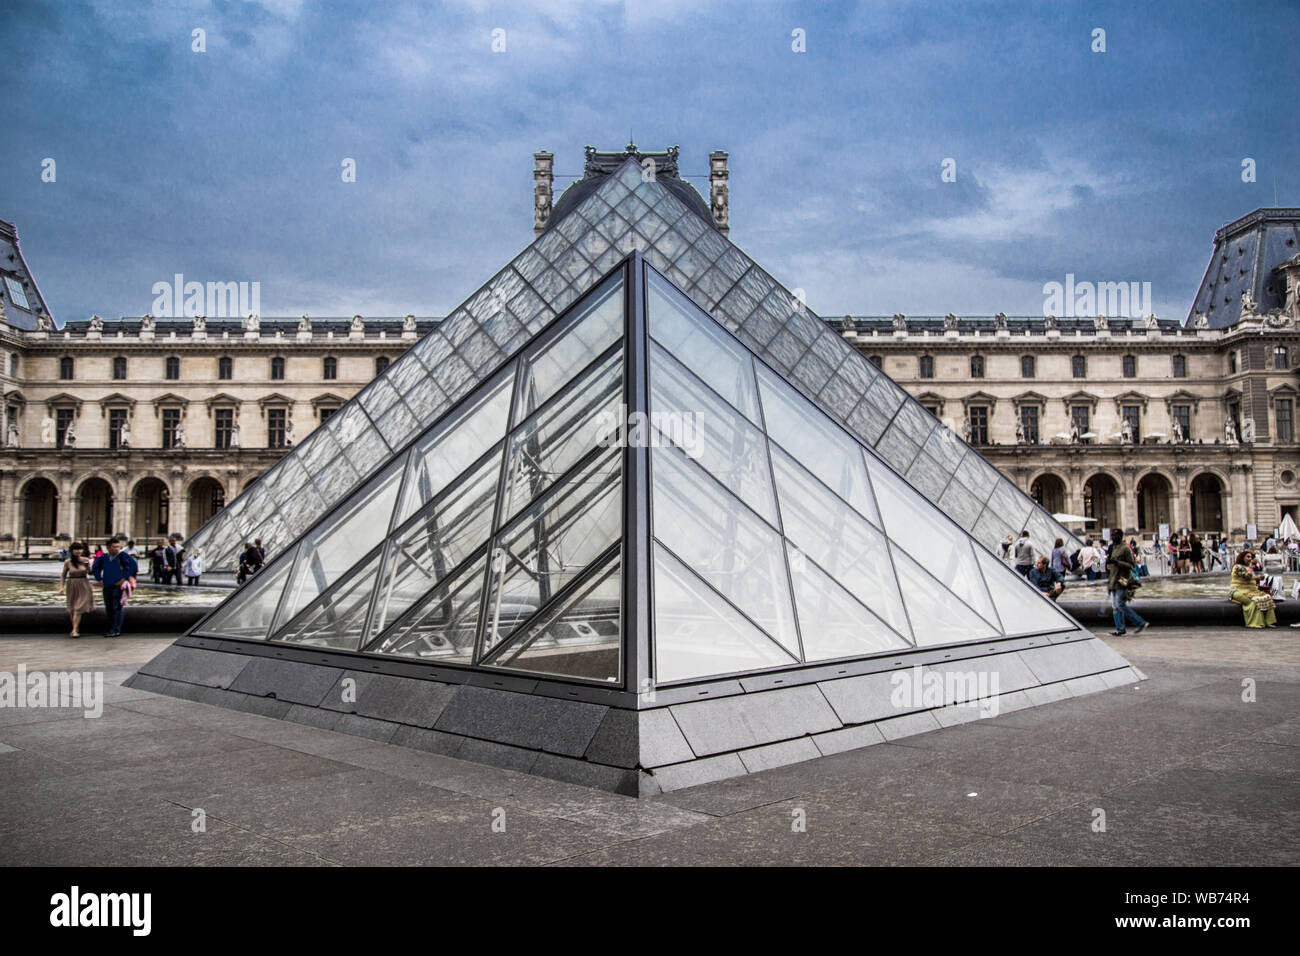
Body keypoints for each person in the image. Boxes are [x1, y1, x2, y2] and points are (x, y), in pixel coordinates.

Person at [90, 538, 138, 638]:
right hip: (107, 585)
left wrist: (124, 578)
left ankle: (116, 630)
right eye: (114, 547)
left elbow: (134, 566)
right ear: (108, 548)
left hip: (118, 586)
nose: (117, 549)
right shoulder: (103, 557)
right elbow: (95, 568)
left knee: (117, 607)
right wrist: (99, 579)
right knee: (109, 608)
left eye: (118, 547)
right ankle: (111, 628)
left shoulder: (122, 556)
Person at [1106, 528, 1149, 636]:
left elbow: (1131, 565)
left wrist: (1117, 562)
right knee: (1115, 606)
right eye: (1112, 535)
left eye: (1115, 535)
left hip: (1123, 580)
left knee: (1119, 604)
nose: (1113, 537)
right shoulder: (1114, 548)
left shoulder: (1125, 548)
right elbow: (1113, 568)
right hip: (1114, 580)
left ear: (1120, 536)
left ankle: (1140, 622)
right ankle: (1120, 629)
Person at [1230, 550, 1277, 628]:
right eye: (1248, 557)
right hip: (1238, 590)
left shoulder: (1248, 567)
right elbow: (1247, 576)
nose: (1250, 558)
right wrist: (1254, 572)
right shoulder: (1237, 567)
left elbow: (1253, 580)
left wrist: (1258, 579)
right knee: (1253, 601)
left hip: (1252, 590)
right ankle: (1254, 623)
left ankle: (1268, 621)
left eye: (1251, 557)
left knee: (1267, 597)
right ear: (1242, 558)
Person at [58, 541, 94, 638]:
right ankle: (75, 627)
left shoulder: (86, 560)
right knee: (72, 608)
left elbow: (90, 573)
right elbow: (63, 575)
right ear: (72, 551)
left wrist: (87, 566)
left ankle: (74, 630)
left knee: (78, 608)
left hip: (84, 584)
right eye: (76, 549)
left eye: (80, 549)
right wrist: (61, 587)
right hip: (72, 584)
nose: (78, 551)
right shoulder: (68, 562)